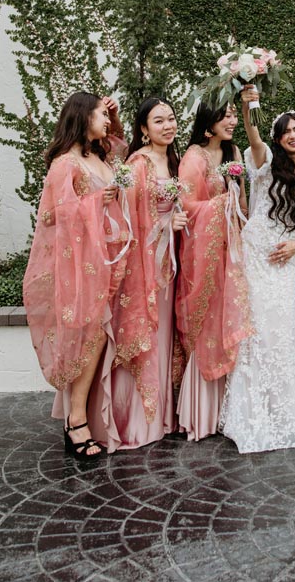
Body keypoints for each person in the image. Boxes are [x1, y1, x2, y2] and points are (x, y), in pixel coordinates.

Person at [23, 92, 131, 461]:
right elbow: (51, 216)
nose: (106, 120)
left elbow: (121, 148)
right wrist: (93, 204)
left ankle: (82, 415)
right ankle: (77, 420)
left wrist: (113, 120)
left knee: (100, 338)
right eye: (101, 114)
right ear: (83, 117)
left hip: (110, 260)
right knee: (90, 338)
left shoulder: (98, 156)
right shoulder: (64, 164)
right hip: (83, 266)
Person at [219, 89, 295, 453]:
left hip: (286, 261)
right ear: (278, 138)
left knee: (280, 330)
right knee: (255, 331)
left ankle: (284, 409)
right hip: (255, 255)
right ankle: (251, 412)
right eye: (286, 131)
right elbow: (251, 132)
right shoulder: (265, 162)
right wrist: (251, 102)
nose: (293, 135)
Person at [88, 97, 189, 451]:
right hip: (143, 267)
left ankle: (162, 416)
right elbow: (128, 217)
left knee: (164, 335)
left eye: (171, 119)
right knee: (145, 333)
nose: (168, 126)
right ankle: (136, 421)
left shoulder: (172, 160)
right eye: (158, 121)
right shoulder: (138, 163)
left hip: (168, 262)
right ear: (144, 129)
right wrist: (166, 222)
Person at [175, 101, 252, 442]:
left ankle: (230, 408)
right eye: (226, 116)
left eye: (235, 115)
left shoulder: (234, 151)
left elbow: (243, 200)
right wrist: (223, 205)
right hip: (203, 252)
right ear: (208, 123)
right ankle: (201, 411)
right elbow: (188, 207)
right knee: (208, 318)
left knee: (230, 317)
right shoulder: (194, 157)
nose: (233, 121)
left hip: (231, 249)